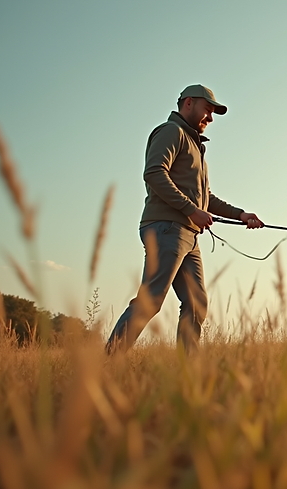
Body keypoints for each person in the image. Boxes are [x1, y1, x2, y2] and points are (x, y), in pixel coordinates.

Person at [106, 84, 263, 354]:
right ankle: (108, 362)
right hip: (167, 228)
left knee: (196, 303)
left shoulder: (195, 145)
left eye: (213, 113)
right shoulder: (171, 132)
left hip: (188, 235)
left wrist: (240, 214)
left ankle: (186, 372)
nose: (210, 118)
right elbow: (154, 173)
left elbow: (206, 199)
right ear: (188, 103)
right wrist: (191, 209)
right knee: (152, 299)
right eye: (207, 110)